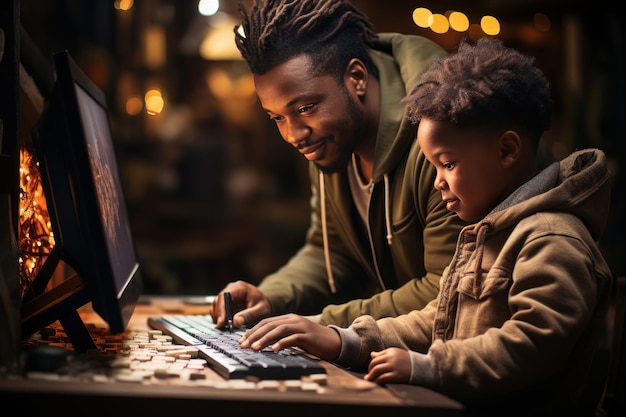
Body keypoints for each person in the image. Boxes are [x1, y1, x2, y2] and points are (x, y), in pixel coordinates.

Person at [237, 38, 614, 416]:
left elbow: (532, 345)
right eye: (433, 166)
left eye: (447, 164)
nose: (436, 181)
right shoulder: (488, 232)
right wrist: (344, 340)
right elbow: (438, 317)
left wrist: (429, 367)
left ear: (507, 151)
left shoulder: (552, 238)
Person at [209, 0, 466, 328]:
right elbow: (331, 253)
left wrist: (322, 325)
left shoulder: (441, 139)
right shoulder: (331, 142)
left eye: (305, 109)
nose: (294, 135)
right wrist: (271, 297)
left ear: (356, 78)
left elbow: (445, 291)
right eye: (277, 117)